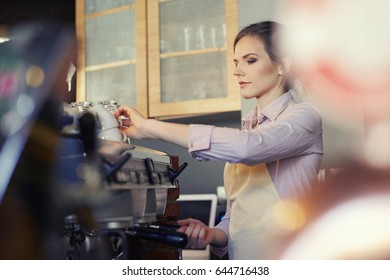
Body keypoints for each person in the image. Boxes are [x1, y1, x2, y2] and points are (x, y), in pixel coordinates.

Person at [114, 21, 323, 259]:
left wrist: (149, 127)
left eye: (250, 60)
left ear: (283, 66)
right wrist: (211, 234)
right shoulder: (248, 127)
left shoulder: (305, 117)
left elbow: (248, 148)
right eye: (236, 63)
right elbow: (238, 219)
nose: (237, 71)